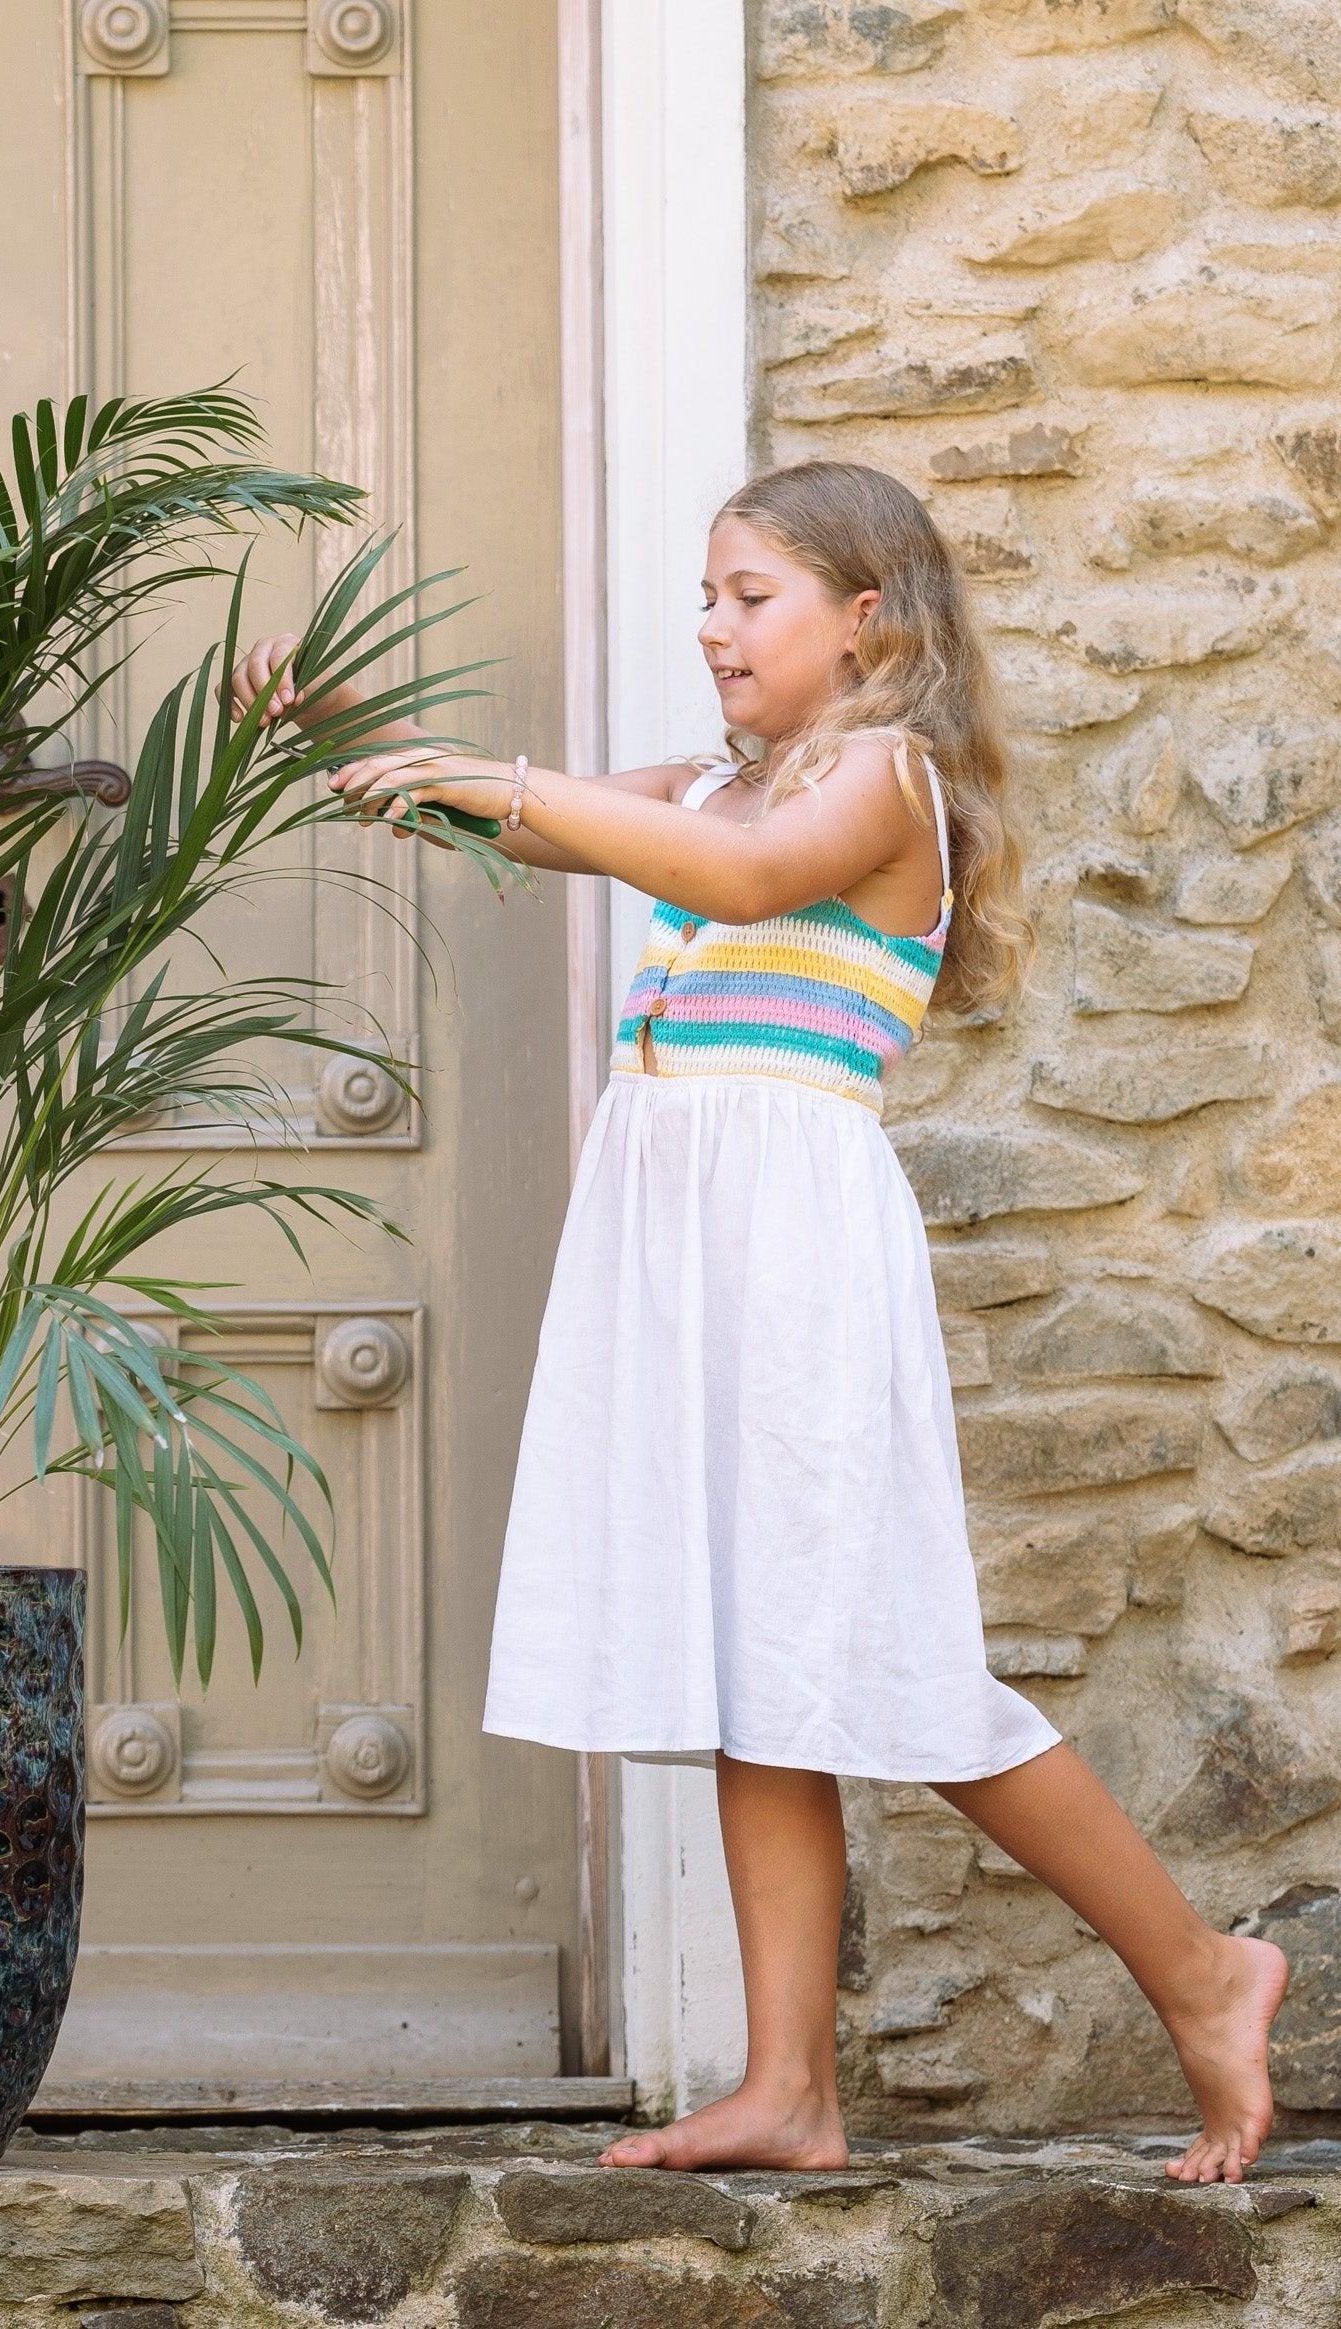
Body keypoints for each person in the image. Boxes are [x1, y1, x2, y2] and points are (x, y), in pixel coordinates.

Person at [226, 458, 1289, 2185]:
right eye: (707, 596)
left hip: (786, 1239)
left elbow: (732, 880)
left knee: (891, 1663)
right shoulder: (727, 779)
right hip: (680, 1228)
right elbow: (542, 814)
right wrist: (346, 738)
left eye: (749, 596)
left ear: (866, 622)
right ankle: (789, 2084)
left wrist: (496, 784)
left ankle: (1200, 1969)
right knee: (753, 1650)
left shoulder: (883, 776)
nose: (710, 626)